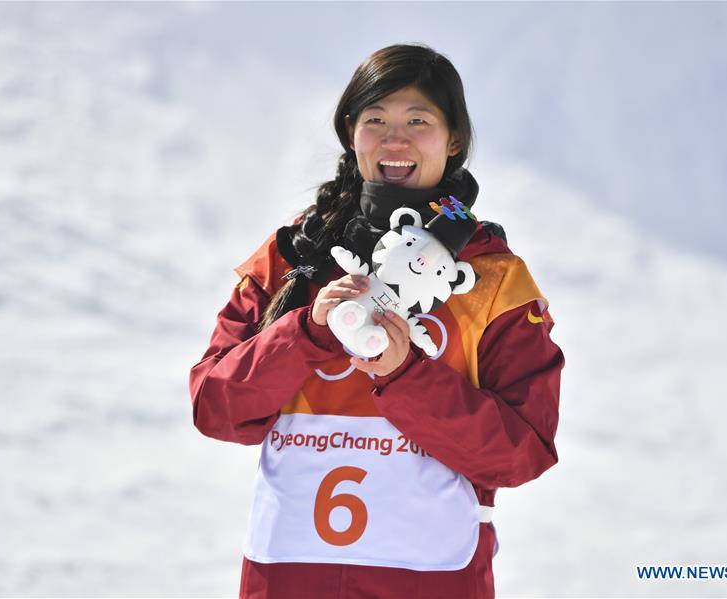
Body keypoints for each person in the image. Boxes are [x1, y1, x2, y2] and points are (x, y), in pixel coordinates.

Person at [189, 43, 565, 599]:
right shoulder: (294, 257)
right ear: (350, 132)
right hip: (289, 578)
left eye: (419, 120)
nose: (396, 139)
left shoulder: (492, 278)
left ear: (454, 139)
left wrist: (405, 375)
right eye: (376, 120)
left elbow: (522, 452)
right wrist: (306, 335)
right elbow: (215, 409)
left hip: (432, 581)